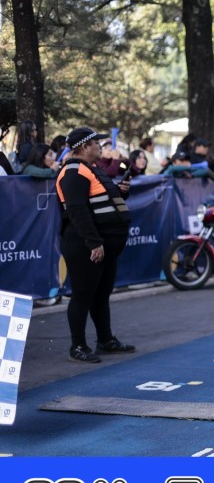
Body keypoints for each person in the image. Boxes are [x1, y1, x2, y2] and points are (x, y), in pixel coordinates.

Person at [55, 127, 135, 364]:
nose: (100, 147)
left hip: (102, 245)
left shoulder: (91, 168)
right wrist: (94, 243)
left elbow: (98, 201)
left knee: (101, 294)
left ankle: (105, 339)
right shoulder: (73, 172)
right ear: (84, 147)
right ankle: (77, 346)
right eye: (96, 143)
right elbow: (77, 211)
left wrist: (119, 193)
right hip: (85, 245)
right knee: (82, 295)